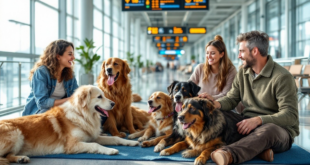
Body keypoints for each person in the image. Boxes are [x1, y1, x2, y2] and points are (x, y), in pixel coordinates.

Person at [206, 31, 299, 165]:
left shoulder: (282, 77)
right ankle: (260, 151)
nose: (238, 56)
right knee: (215, 114)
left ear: (254, 51)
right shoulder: (243, 72)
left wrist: (259, 120)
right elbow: (232, 98)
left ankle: (228, 154)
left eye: (242, 51)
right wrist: (216, 105)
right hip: (248, 123)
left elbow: (290, 116)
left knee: (268, 130)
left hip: (278, 130)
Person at [22, 40, 78, 116]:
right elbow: (42, 103)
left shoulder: (70, 74)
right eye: (70, 54)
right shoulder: (41, 72)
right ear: (58, 56)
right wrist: (68, 100)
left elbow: (76, 95)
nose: (73, 57)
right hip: (40, 111)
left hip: (61, 108)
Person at [189, 35, 237, 100]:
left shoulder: (231, 70)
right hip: (201, 105)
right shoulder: (200, 68)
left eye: (213, 53)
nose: (209, 56)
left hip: (220, 107)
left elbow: (226, 95)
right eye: (207, 53)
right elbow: (189, 87)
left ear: (222, 54)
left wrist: (210, 98)